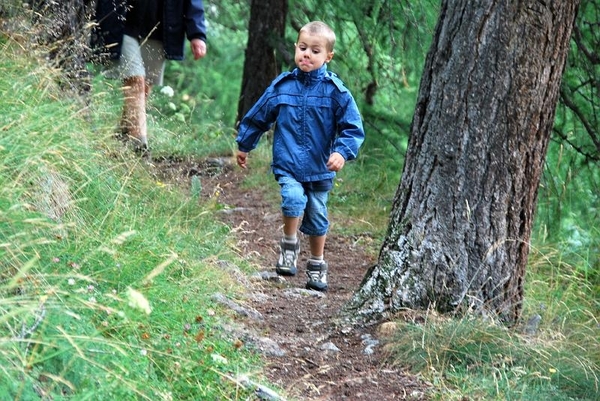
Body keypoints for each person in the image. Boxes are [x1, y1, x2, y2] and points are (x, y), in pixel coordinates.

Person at [235, 21, 365, 291]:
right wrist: (244, 144)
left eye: (315, 51)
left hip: (320, 168)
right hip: (289, 163)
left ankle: (317, 263)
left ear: (328, 56)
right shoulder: (283, 86)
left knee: (317, 215)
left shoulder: (336, 92)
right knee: (293, 199)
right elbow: (259, 115)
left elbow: (352, 128)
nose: (307, 54)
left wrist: (341, 152)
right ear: (296, 48)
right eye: (303, 48)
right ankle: (289, 244)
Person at [92, 0, 207, 154]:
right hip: (121, 21)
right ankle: (140, 147)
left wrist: (197, 33)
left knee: (144, 88)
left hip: (160, 27)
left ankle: (121, 139)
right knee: (135, 81)